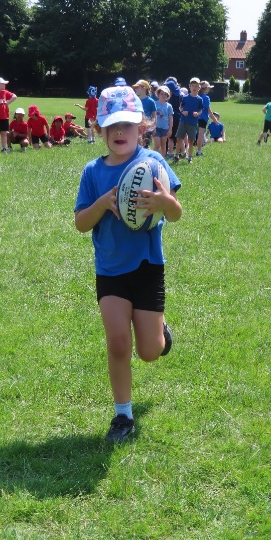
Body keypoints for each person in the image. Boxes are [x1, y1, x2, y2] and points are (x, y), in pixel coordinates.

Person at [74, 85, 182, 443]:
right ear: (100, 130)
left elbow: (176, 214)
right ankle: (123, 415)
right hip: (110, 269)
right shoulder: (93, 171)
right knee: (118, 342)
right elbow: (81, 223)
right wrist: (103, 203)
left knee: (149, 352)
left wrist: (165, 202)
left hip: (147, 267)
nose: (119, 132)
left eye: (127, 125)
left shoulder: (154, 163)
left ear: (142, 127)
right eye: (111, 126)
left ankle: (161, 334)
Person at [173, 77, 203, 164]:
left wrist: (197, 114)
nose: (194, 88)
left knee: (191, 140)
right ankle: (176, 155)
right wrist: (183, 111)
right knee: (179, 138)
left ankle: (190, 158)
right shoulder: (185, 97)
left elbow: (201, 110)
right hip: (183, 121)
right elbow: (180, 107)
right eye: (192, 86)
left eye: (196, 86)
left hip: (193, 122)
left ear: (199, 88)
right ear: (189, 87)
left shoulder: (199, 99)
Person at [0, 77, 17, 153]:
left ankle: (3, 148)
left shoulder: (5, 92)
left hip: (4, 117)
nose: (5, 85)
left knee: (4, 133)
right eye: (3, 84)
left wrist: (7, 102)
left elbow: (14, 96)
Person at [132, 79, 157, 148]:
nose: (135, 89)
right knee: (136, 145)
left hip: (147, 128)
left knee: (145, 145)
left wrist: (154, 128)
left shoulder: (151, 101)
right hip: (136, 126)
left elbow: (154, 115)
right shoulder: (134, 100)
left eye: (137, 87)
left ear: (144, 88)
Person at [196, 81, 218, 156]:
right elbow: (208, 110)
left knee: (196, 133)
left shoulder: (197, 96)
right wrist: (215, 119)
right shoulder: (206, 98)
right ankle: (199, 151)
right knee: (201, 134)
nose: (209, 90)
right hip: (203, 118)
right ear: (205, 89)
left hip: (196, 117)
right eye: (208, 88)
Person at [153, 84, 173, 158]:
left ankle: (162, 160)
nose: (163, 96)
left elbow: (170, 118)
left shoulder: (169, 106)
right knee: (157, 144)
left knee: (163, 145)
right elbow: (152, 115)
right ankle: (152, 158)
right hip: (156, 127)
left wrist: (170, 129)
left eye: (165, 94)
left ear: (167, 96)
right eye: (161, 94)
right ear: (158, 94)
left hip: (164, 128)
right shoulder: (154, 104)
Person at [164, 77, 181, 157]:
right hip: (177, 118)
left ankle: (170, 152)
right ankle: (182, 152)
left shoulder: (171, 99)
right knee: (176, 137)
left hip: (173, 118)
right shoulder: (179, 96)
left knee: (170, 137)